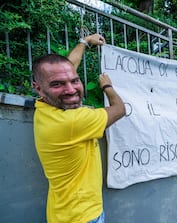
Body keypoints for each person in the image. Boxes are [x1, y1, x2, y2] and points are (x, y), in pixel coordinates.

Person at [32, 33, 126, 223]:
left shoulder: (44, 108)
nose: (71, 89)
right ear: (39, 88)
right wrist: (107, 86)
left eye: (74, 81)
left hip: (63, 214)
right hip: (84, 217)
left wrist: (84, 42)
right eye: (57, 84)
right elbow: (119, 109)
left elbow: (66, 70)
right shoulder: (73, 122)